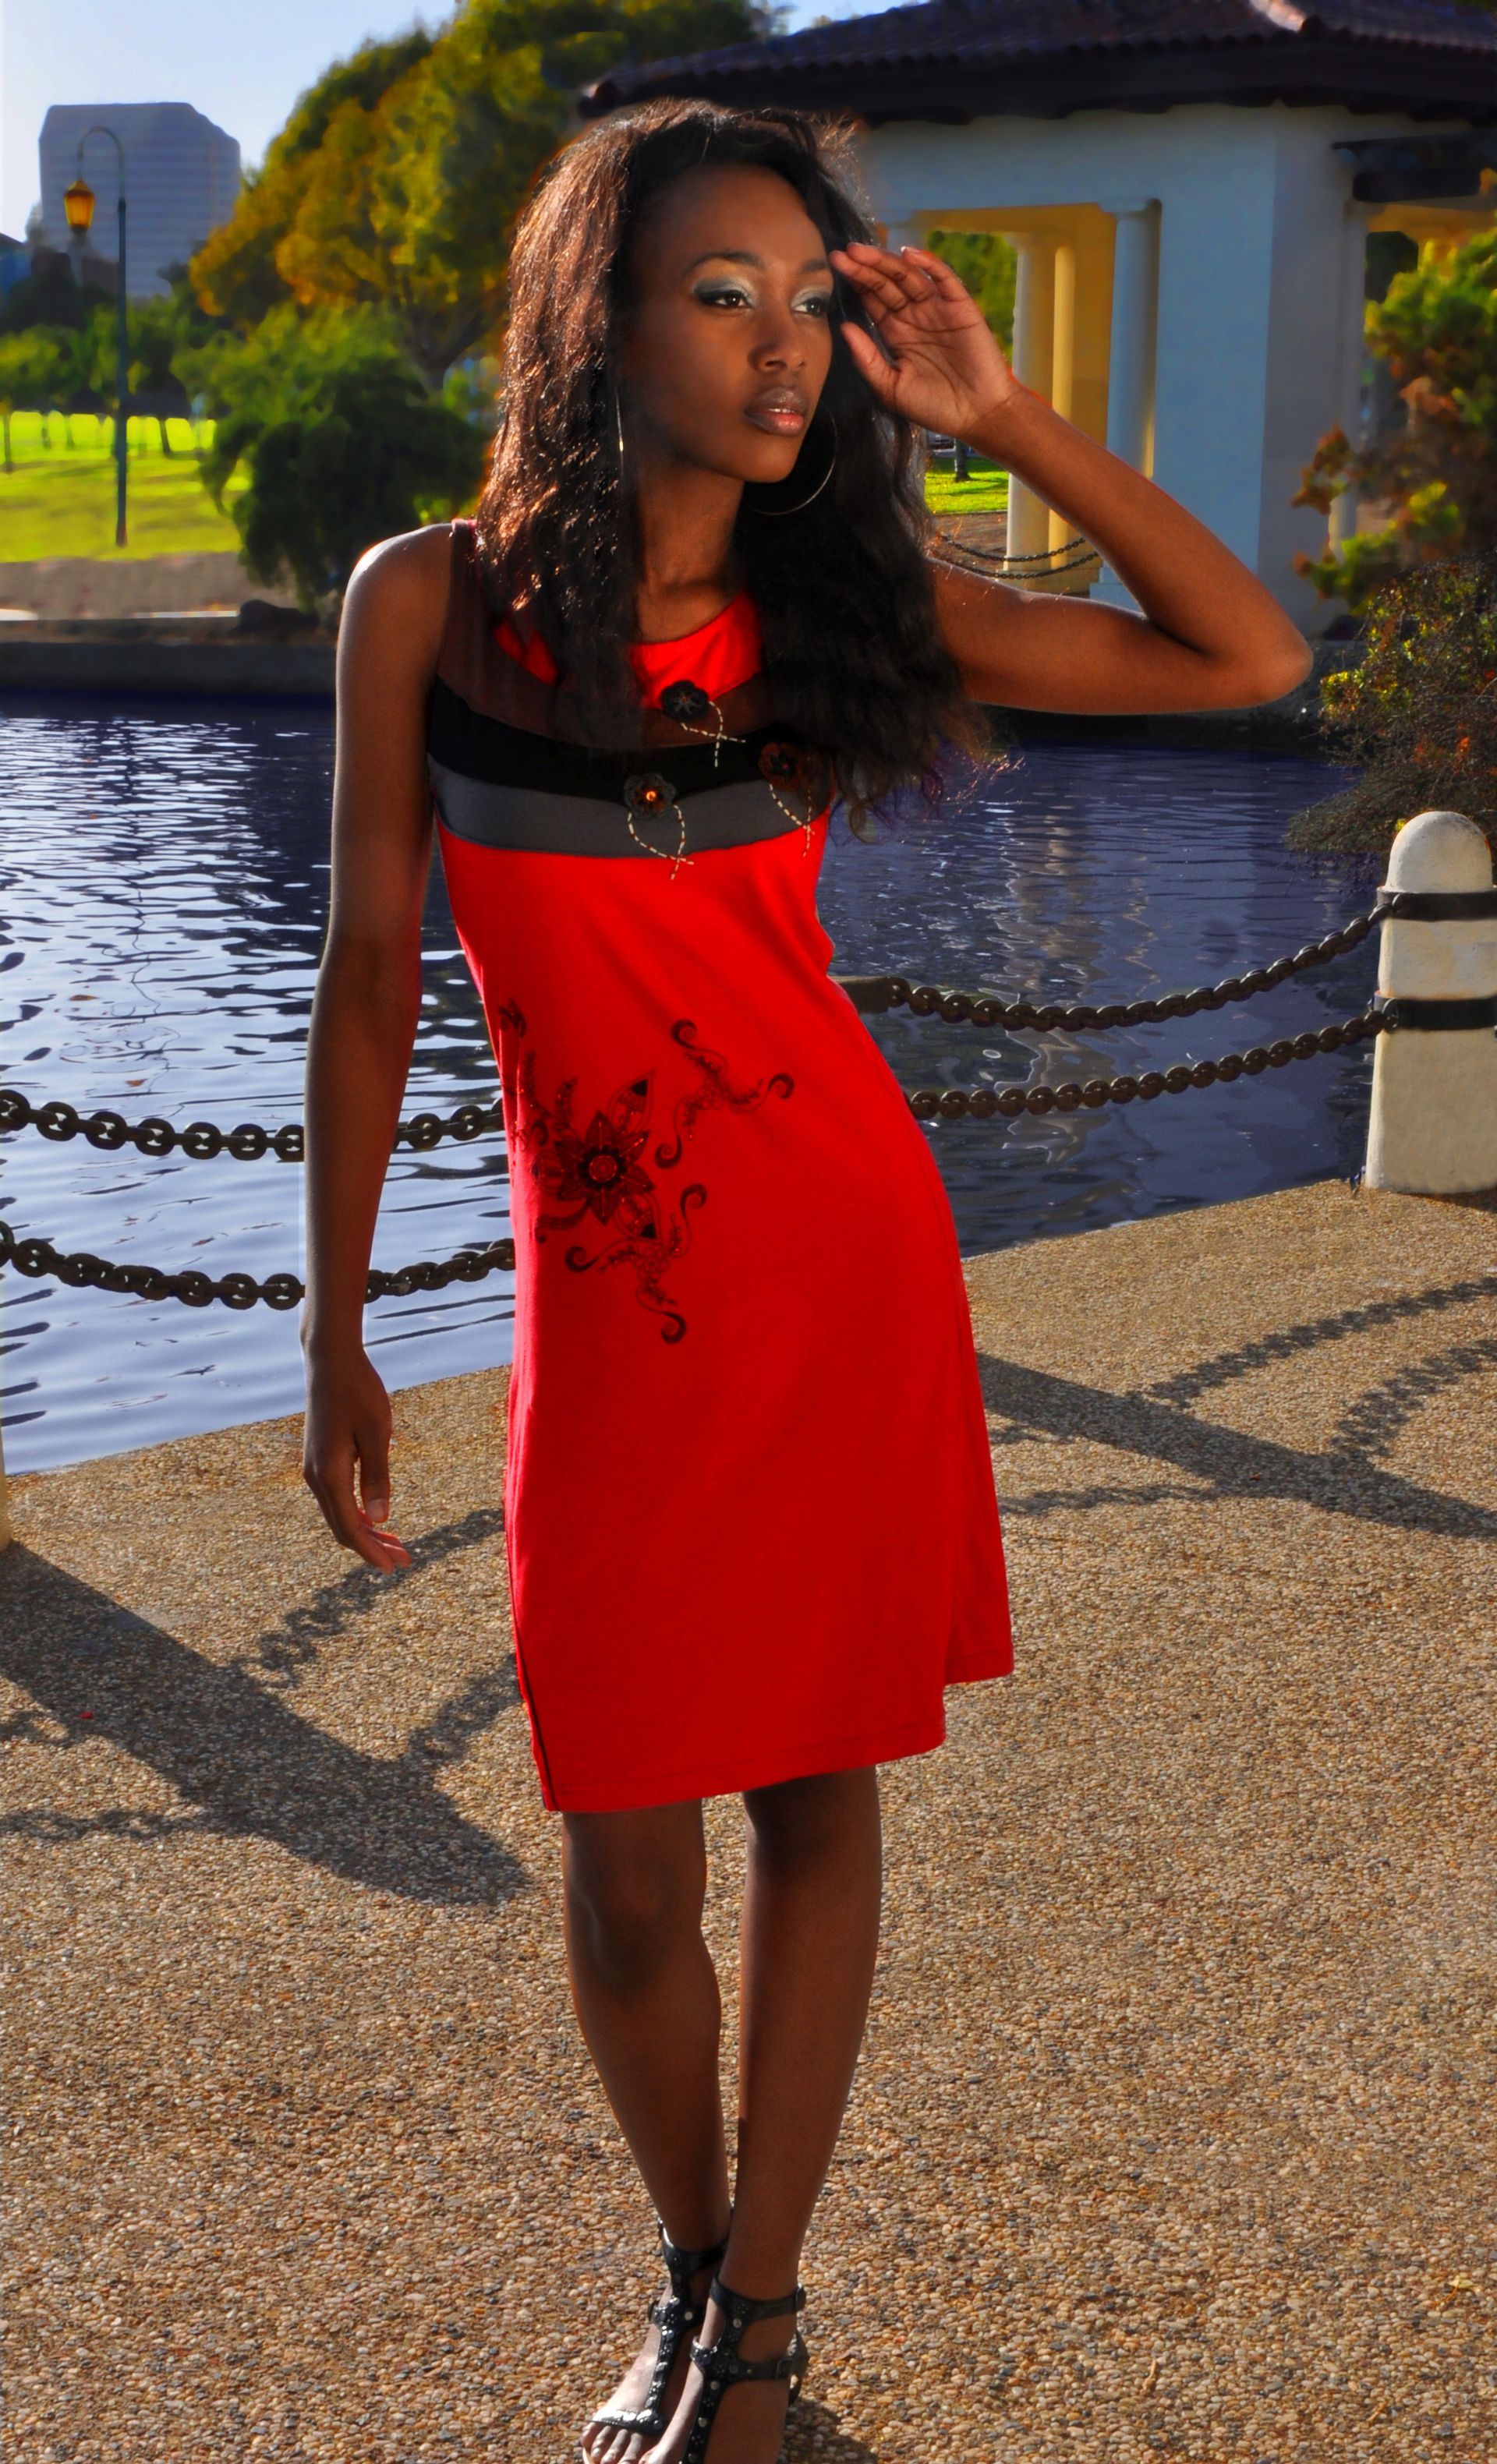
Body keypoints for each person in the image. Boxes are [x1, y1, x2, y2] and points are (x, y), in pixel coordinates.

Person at [299, 99, 1308, 2464]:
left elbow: (1249, 652)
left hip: (832, 1260)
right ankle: (687, 2268)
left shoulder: (855, 612)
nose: (781, 346)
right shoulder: (424, 607)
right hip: (610, 1315)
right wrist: (331, 1314)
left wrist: (1004, 413)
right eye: (720, 292)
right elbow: (366, 969)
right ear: (601, 324)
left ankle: (755, 2333)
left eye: (808, 298)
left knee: (814, 1797)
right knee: (626, 1862)